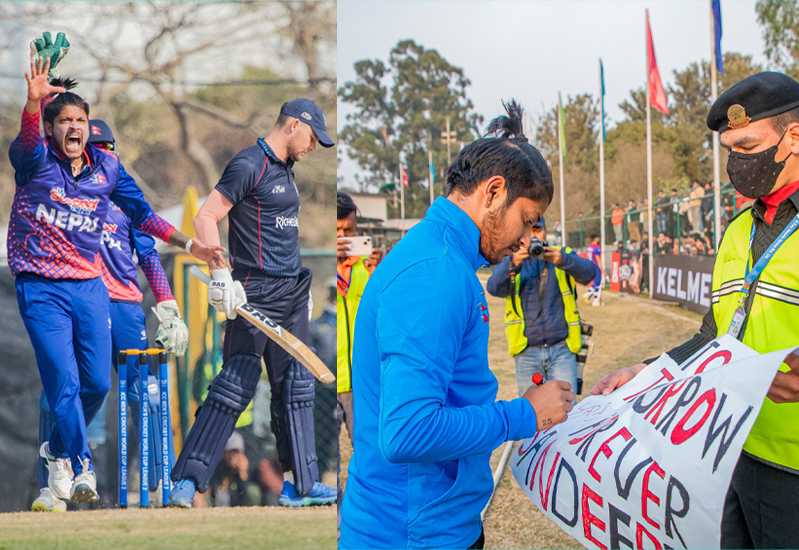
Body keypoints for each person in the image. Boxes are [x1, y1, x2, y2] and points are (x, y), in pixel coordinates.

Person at [590, 72, 799, 549]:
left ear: (794, 139)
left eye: (748, 145)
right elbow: (711, 339)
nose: (737, 162)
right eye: (730, 149)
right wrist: (646, 370)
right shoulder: (736, 231)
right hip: (722, 455)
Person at [340, 102, 575, 550]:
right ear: (493, 191)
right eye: (526, 220)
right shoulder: (436, 273)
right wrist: (523, 414)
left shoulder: (443, 258)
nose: (526, 239)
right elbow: (408, 431)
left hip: (430, 521)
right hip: (412, 533)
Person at [10, 57, 219, 505]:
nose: (75, 127)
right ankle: (82, 467)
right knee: (63, 383)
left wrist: (190, 247)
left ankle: (58, 451)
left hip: (90, 288)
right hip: (40, 287)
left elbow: (144, 217)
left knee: (99, 386)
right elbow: (26, 139)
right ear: (50, 129)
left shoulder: (107, 172)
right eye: (64, 120)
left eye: (81, 120)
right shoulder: (34, 161)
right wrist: (32, 103)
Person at [169, 98, 336, 508]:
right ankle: (187, 481)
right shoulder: (249, 164)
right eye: (313, 137)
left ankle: (303, 485)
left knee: (296, 388)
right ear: (294, 125)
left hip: (292, 293)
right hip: (253, 292)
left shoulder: (287, 171)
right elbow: (206, 218)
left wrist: (303, 296)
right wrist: (222, 274)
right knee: (235, 385)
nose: (314, 146)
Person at [30, 119, 190, 512]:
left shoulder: (123, 197)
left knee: (143, 393)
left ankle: (158, 483)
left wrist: (168, 306)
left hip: (123, 306)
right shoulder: (65, 193)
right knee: (61, 392)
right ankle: (50, 489)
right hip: (77, 301)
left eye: (105, 147)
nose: (100, 154)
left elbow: (149, 254)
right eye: (94, 147)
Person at [487, 217, 599, 395]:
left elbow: (590, 273)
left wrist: (561, 259)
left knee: (567, 409)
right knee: (532, 411)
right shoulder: (511, 258)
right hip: (526, 350)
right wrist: (513, 263)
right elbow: (494, 289)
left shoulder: (562, 254)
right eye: (527, 230)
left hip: (562, 347)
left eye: (537, 230)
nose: (533, 235)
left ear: (546, 231)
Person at [335, 192, 381, 445]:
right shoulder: (316, 263)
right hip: (326, 378)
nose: (343, 237)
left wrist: (380, 275)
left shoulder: (368, 266)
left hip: (361, 382)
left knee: (367, 451)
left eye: (349, 230)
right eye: (337, 230)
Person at [584, 234, 603, 306]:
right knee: (597, 284)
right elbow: (598, 260)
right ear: (596, 239)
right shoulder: (596, 248)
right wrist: (602, 270)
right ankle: (596, 301)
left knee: (595, 283)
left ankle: (587, 295)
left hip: (590, 265)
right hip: (595, 266)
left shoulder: (589, 247)